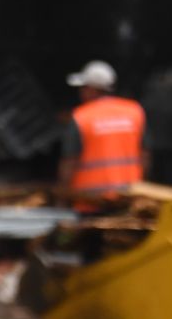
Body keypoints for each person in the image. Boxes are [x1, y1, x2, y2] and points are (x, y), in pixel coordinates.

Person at [58, 59, 148, 208]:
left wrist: (62, 196)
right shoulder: (135, 112)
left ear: (93, 89)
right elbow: (145, 156)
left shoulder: (81, 117)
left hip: (90, 201)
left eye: (83, 87)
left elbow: (69, 162)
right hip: (128, 199)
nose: (81, 92)